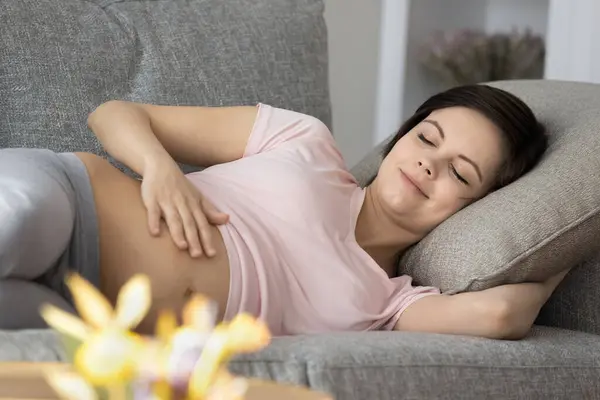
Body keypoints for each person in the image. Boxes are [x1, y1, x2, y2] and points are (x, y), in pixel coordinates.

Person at [0, 84, 567, 338]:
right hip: (68, 203)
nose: (428, 166)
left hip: (75, 315)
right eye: (427, 139)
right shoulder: (305, 142)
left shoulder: (388, 303)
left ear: (477, 206)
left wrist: (566, 243)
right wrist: (161, 169)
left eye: (460, 173)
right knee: (17, 223)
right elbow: (113, 114)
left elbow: (500, 317)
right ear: (400, 138)